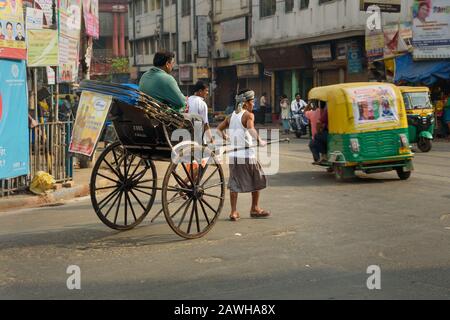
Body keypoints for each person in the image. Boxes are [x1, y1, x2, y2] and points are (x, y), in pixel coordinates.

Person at [216, 89, 270, 222]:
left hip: (234, 157)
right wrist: (259, 140)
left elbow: (218, 129)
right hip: (247, 156)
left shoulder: (231, 116)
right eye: (252, 101)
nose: (253, 104)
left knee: (234, 183)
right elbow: (251, 129)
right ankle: (255, 208)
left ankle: (234, 212)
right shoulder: (248, 115)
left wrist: (225, 137)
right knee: (256, 180)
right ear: (245, 103)